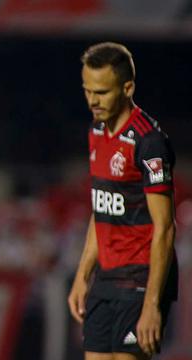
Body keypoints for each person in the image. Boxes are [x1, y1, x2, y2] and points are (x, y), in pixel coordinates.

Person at [67, 42, 178, 360]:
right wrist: (82, 275)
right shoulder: (97, 131)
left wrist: (153, 305)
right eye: (87, 90)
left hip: (141, 278)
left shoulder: (148, 142)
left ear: (127, 87)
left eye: (101, 92)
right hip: (106, 278)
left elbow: (165, 228)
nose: (92, 100)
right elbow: (100, 208)